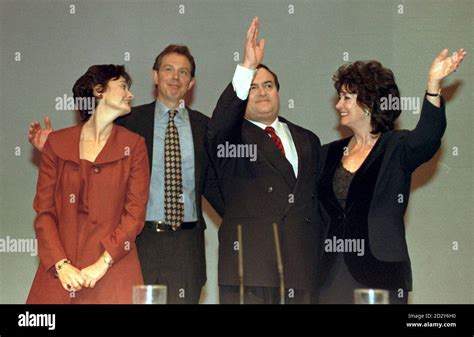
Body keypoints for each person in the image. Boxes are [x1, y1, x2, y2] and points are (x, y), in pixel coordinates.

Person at [28, 45, 224, 304]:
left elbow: (214, 184)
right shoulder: (130, 121)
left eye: (183, 72)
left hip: (185, 247)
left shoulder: (204, 127)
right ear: (155, 76)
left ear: (192, 82)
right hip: (139, 244)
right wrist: (55, 149)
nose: (176, 77)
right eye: (168, 69)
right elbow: (91, 136)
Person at [317, 48, 466, 304]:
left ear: (367, 101)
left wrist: (433, 85)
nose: (338, 104)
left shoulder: (396, 147)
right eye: (339, 98)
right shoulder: (326, 154)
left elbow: (428, 138)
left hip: (380, 274)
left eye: (346, 97)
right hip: (330, 276)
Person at [206, 17, 323, 304]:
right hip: (250, 267)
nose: (262, 92)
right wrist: (246, 66)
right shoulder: (231, 136)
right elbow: (220, 123)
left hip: (301, 268)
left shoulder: (308, 139)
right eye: (254, 87)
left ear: (278, 92)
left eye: (269, 85)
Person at [27, 65, 150, 303]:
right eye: (123, 86)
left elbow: (134, 216)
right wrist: (61, 265)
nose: (130, 95)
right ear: (98, 90)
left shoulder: (134, 146)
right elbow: (44, 213)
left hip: (114, 274)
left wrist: (102, 263)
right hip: (59, 276)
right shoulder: (57, 143)